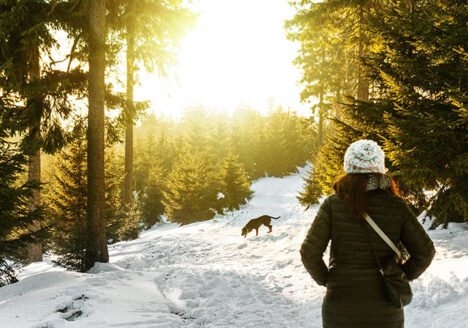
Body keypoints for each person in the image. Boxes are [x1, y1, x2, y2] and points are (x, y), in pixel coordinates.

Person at [300, 139, 435, 328]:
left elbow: (309, 252)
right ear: (380, 169)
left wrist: (330, 281)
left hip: (340, 307)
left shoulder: (333, 204)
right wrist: (399, 276)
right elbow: (425, 251)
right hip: (386, 309)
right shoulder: (396, 206)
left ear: (349, 167)